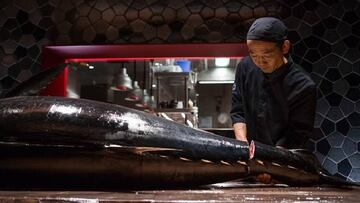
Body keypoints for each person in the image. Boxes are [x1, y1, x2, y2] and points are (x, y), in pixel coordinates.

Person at [231, 17, 317, 183]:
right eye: (253, 55)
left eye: (266, 55)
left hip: (285, 166)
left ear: (284, 47)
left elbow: (295, 134)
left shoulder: (304, 86)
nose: (259, 62)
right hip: (248, 164)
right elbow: (238, 110)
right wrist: (242, 147)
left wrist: (270, 163)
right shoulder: (245, 67)